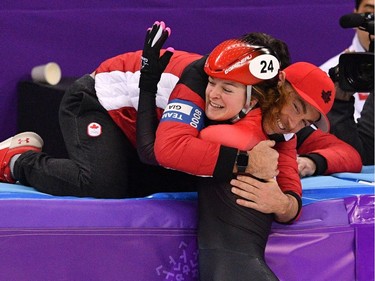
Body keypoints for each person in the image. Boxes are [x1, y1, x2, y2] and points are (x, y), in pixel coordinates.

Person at [136, 22, 337, 280]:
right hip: (121, 110)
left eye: (305, 123)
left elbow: (289, 184)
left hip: (233, 265)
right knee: (106, 182)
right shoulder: (204, 79)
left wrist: (284, 204)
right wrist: (247, 162)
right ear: (279, 85)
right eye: (296, 108)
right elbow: (160, 152)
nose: (293, 124)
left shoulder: (279, 128)